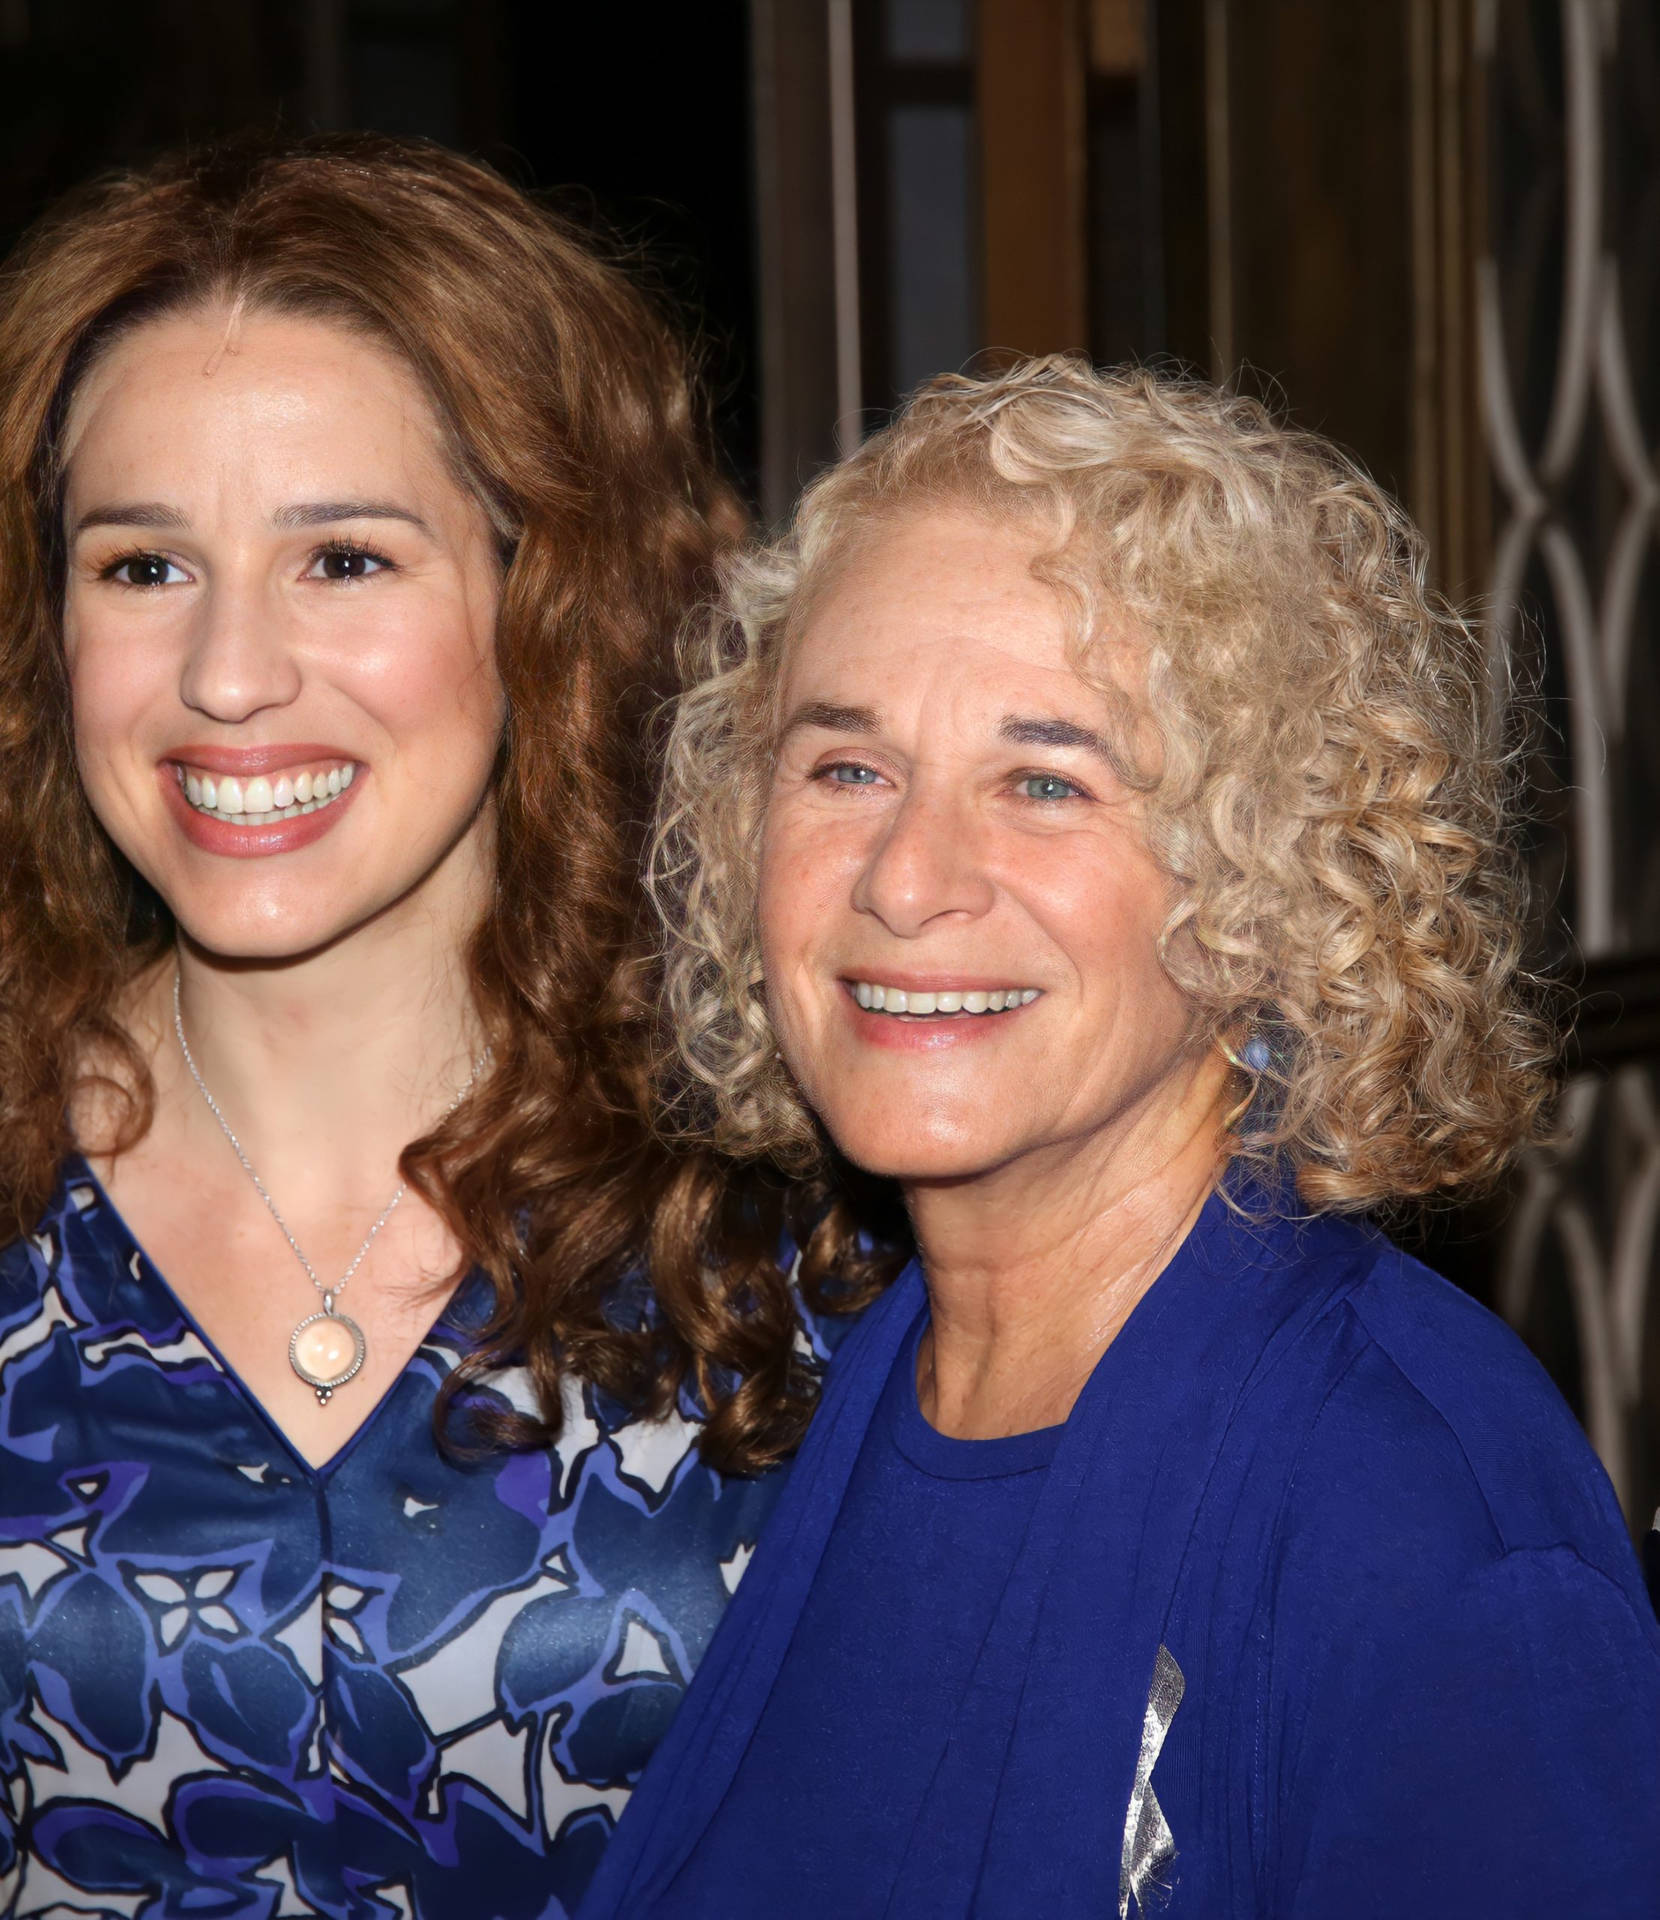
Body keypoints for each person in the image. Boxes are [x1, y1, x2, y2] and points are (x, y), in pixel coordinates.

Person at [0, 135, 863, 1920]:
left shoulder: (790, 1210)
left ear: (546, 591)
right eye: (141, 569)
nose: (225, 675)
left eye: (343, 559)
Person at [580, 359, 1660, 1918]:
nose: (906, 876)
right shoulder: (873, 1380)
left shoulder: (1415, 1531)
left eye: (1043, 780)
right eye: (848, 767)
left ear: (1267, 878)